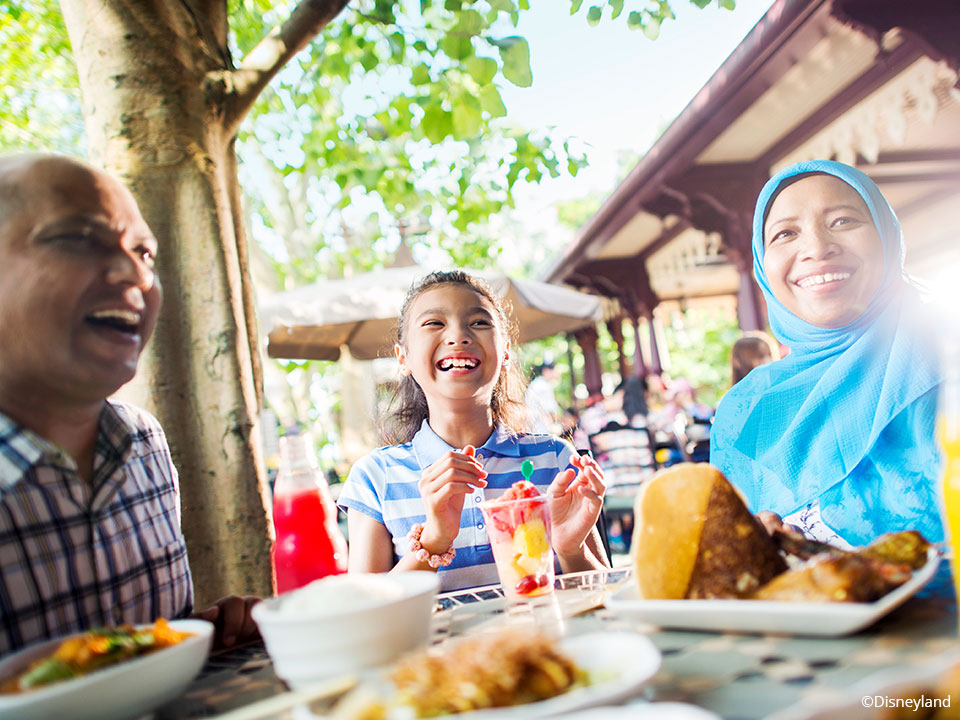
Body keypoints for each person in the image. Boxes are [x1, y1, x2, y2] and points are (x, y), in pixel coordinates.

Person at [0, 154, 259, 655]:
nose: (134, 274)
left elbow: (149, 653)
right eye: (78, 238)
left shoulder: (145, 444)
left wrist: (206, 642)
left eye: (145, 254)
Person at [710, 160, 943, 548]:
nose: (816, 248)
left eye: (842, 221)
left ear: (886, 236)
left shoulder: (946, 356)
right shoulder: (745, 411)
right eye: (785, 233)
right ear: (762, 265)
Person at [338, 271, 608, 592]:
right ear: (404, 357)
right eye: (433, 323)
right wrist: (435, 538)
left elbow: (603, 595)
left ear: (506, 352)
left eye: (479, 322)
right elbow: (366, 613)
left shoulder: (557, 459)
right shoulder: (375, 477)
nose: (458, 336)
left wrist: (570, 549)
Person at [525, 360, 561, 434]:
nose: (557, 373)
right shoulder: (543, 386)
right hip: (540, 427)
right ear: (546, 371)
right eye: (555, 370)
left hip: (533, 426)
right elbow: (548, 411)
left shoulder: (537, 383)